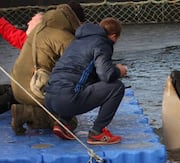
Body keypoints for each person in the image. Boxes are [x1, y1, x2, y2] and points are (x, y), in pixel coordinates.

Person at [45, 17, 127, 145]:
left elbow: (86, 73)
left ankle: (63, 123)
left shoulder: (78, 41)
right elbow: (106, 75)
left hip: (49, 98)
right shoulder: (102, 43)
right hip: (67, 100)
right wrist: (118, 71)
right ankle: (97, 133)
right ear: (114, 36)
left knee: (79, 82)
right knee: (117, 87)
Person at [10, 2, 85, 134]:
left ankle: (29, 110)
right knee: (69, 122)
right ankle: (28, 113)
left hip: (17, 86)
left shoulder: (40, 27)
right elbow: (81, 63)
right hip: (34, 88)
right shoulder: (62, 36)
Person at [0, 12, 44, 114]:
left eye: (32, 21)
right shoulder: (30, 43)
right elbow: (11, 34)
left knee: (11, 95)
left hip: (33, 93)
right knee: (7, 89)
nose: (28, 23)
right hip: (25, 89)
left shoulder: (41, 48)